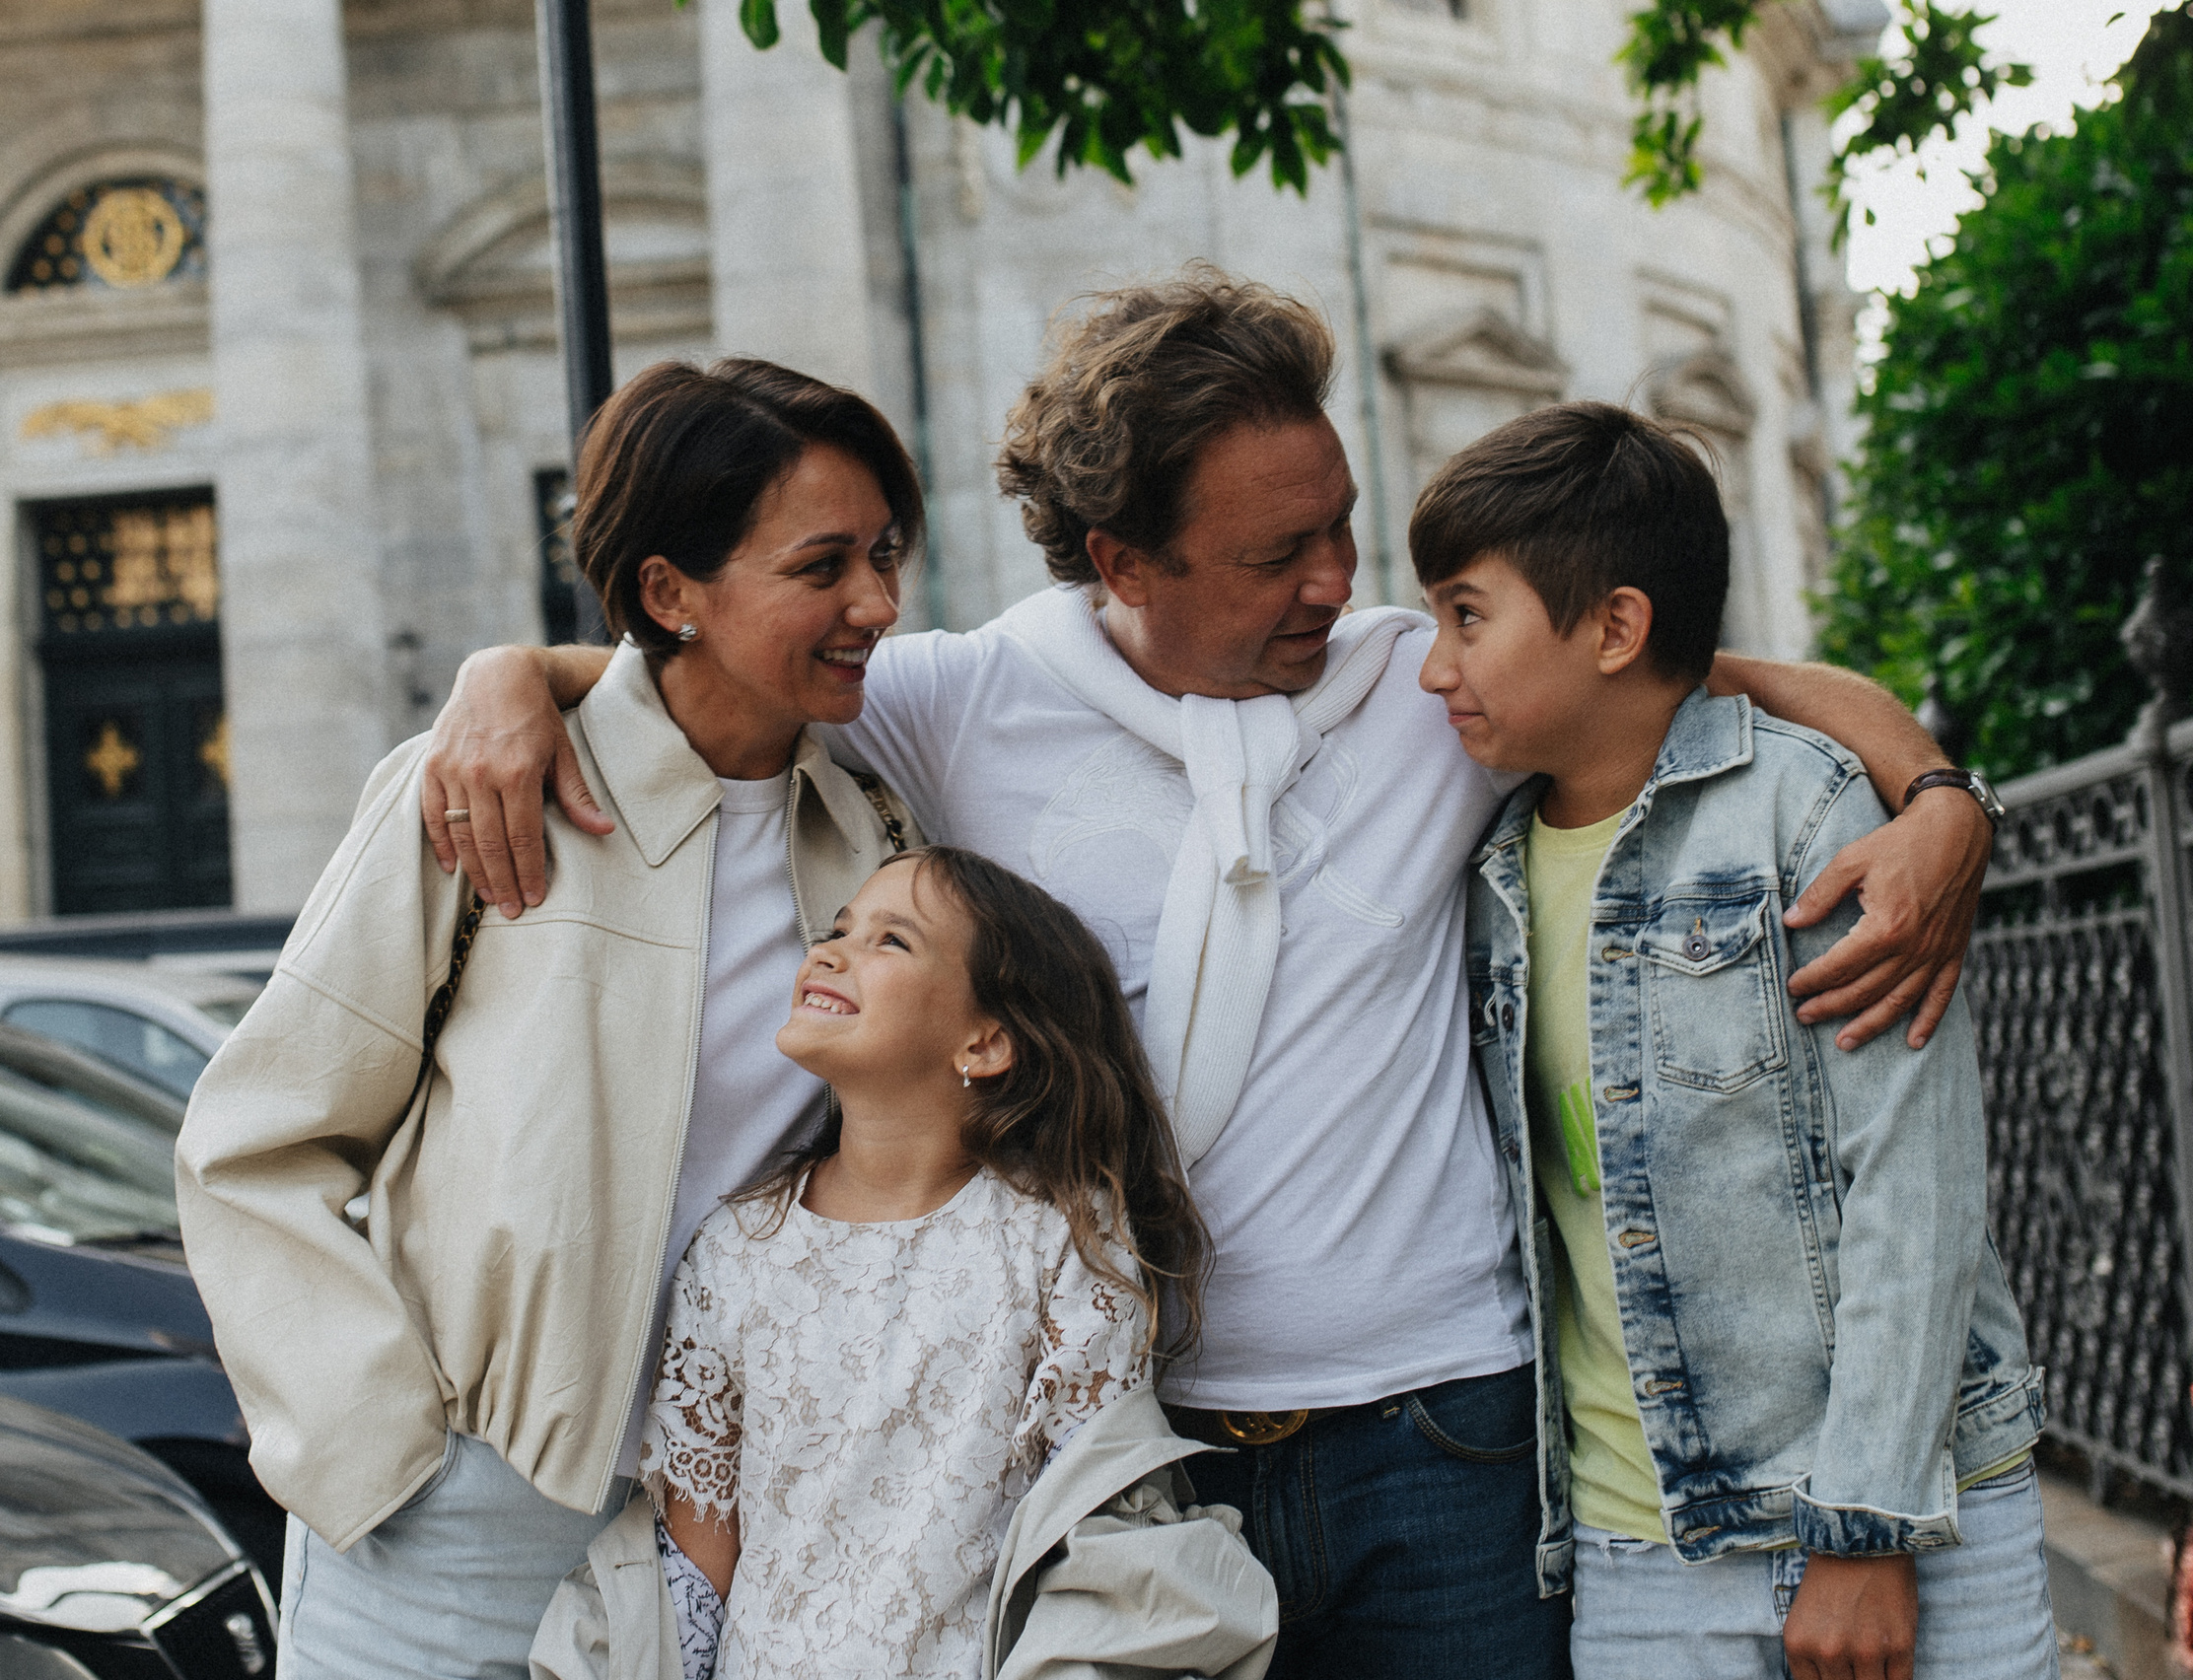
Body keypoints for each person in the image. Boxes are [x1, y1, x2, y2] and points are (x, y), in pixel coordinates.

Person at [422, 269, 2000, 1676]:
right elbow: (725, 665)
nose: (1335, 578)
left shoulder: (1425, 682)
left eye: (1341, 525)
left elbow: (1696, 672)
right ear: (1123, 559)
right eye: (1275, 553)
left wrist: (1936, 797)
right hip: (1144, 1467)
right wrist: (512, 678)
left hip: (1447, 1443)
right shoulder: (964, 703)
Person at [173, 357, 927, 1676]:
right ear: (668, 592)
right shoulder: (478, 792)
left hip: (723, 1519)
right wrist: (378, 1451)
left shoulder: (869, 834)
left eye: (884, 554)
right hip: (455, 1517)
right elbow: (255, 1144)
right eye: (823, 567)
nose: (876, 601)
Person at [1417, 401, 2052, 1680]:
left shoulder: (1805, 813)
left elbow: (1914, 1185)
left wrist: (1862, 1528)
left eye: (1466, 616)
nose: (1434, 666)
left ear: (1616, 627)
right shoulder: (1479, 865)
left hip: (1915, 1511)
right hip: (1642, 1550)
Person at [531, 845, 1277, 1680]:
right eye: (840, 927)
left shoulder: (1058, 1237)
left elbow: (1096, 1525)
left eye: (892, 941)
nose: (831, 950)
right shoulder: (736, 1251)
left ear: (986, 1042)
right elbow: (694, 1575)